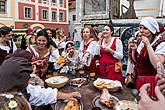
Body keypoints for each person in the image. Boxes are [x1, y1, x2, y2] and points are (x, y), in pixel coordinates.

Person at [0, 49, 81, 109]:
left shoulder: (21, 87)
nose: (30, 77)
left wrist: (67, 95)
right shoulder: (6, 104)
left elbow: (40, 94)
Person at [129, 17, 165, 97]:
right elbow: (136, 62)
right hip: (139, 79)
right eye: (140, 27)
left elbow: (157, 65)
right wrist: (134, 50)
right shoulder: (140, 42)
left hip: (152, 81)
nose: (141, 30)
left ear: (152, 30)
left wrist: (148, 45)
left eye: (145, 28)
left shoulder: (160, 44)